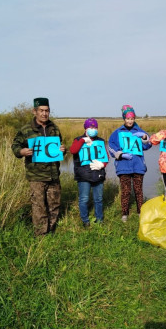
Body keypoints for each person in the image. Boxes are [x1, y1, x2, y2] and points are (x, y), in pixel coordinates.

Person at [11, 97, 66, 236]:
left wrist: (63, 150)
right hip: (36, 175)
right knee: (39, 206)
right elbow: (15, 146)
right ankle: (41, 235)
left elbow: (59, 148)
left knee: (54, 204)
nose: (44, 113)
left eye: (47, 110)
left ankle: (51, 231)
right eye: (41, 110)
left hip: (53, 174)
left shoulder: (54, 128)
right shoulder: (26, 130)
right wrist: (21, 151)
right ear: (34, 111)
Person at [108, 105, 151, 222]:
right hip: (123, 166)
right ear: (124, 119)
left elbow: (148, 145)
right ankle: (125, 213)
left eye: (132, 118)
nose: (130, 121)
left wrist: (144, 137)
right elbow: (111, 148)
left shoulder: (139, 131)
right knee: (125, 191)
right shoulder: (117, 133)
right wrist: (120, 154)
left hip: (138, 166)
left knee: (138, 190)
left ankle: (140, 212)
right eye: (128, 118)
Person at [69, 118, 108, 227]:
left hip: (98, 173)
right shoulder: (78, 140)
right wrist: (82, 141)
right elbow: (73, 150)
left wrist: (102, 165)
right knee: (84, 199)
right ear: (85, 128)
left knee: (98, 199)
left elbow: (106, 157)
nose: (93, 129)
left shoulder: (100, 141)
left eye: (95, 127)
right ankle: (85, 221)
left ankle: (99, 219)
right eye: (90, 127)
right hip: (83, 175)